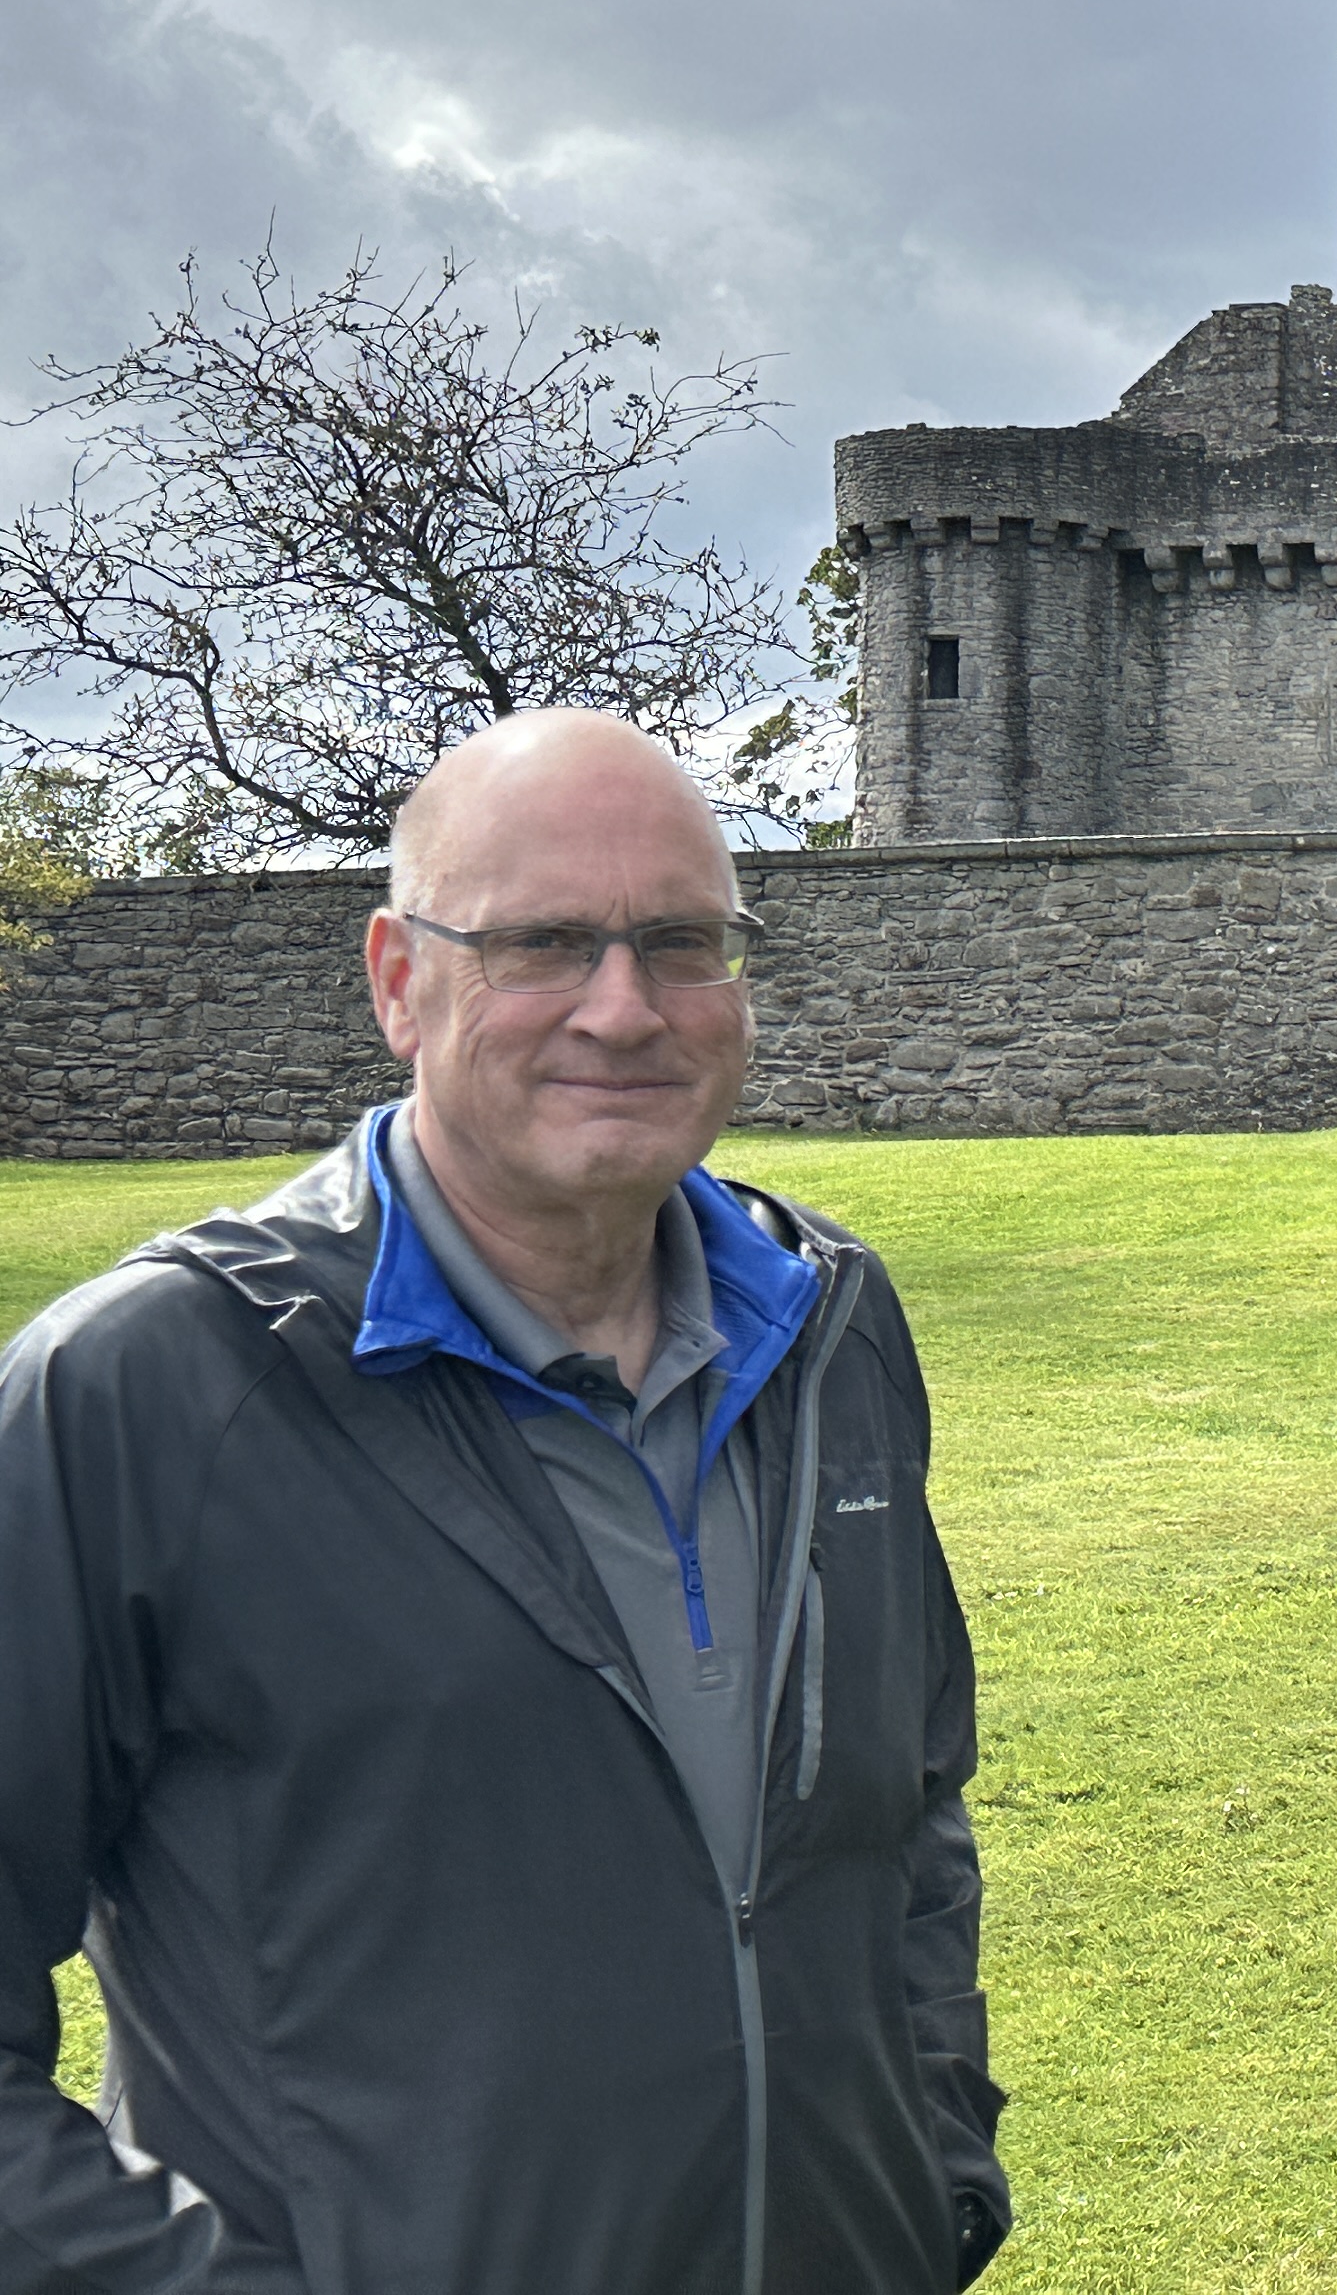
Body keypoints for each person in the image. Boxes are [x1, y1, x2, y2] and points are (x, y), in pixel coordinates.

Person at [0, 711, 1010, 2293]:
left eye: (683, 943)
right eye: (545, 945)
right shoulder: (151, 1389)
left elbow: (909, 1813)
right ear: (401, 980)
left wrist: (939, 2165)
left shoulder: (829, 1328)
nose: (625, 1010)